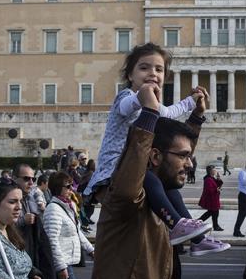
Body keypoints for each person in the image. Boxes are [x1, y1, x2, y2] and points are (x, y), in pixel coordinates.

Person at [87, 83, 207, 279]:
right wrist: (150, 113)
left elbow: (171, 152)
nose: (189, 164)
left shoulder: (159, 196)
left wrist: (197, 119)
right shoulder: (127, 198)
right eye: (184, 157)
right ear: (153, 157)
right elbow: (154, 158)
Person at [84, 43, 209, 245]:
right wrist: (142, 100)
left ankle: (197, 238)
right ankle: (177, 226)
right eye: (144, 68)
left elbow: (169, 113)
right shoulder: (126, 96)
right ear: (130, 76)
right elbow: (126, 107)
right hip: (114, 170)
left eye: (159, 69)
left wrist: (192, 104)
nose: (152, 73)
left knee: (169, 188)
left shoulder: (154, 104)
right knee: (151, 180)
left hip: (137, 167)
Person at [42, 171, 92, 279]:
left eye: (72, 186)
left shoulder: (67, 206)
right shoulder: (53, 210)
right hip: (61, 263)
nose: (72, 189)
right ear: (58, 188)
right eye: (68, 186)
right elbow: (51, 241)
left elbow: (77, 231)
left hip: (66, 260)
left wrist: (91, 250)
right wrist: (61, 266)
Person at [197, 165, 224, 231]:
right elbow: (209, 189)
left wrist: (218, 178)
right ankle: (198, 222)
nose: (215, 171)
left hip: (214, 198)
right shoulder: (208, 179)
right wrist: (216, 190)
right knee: (212, 212)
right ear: (210, 171)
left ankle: (215, 226)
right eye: (214, 169)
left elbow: (218, 184)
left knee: (213, 212)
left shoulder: (212, 178)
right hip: (211, 199)